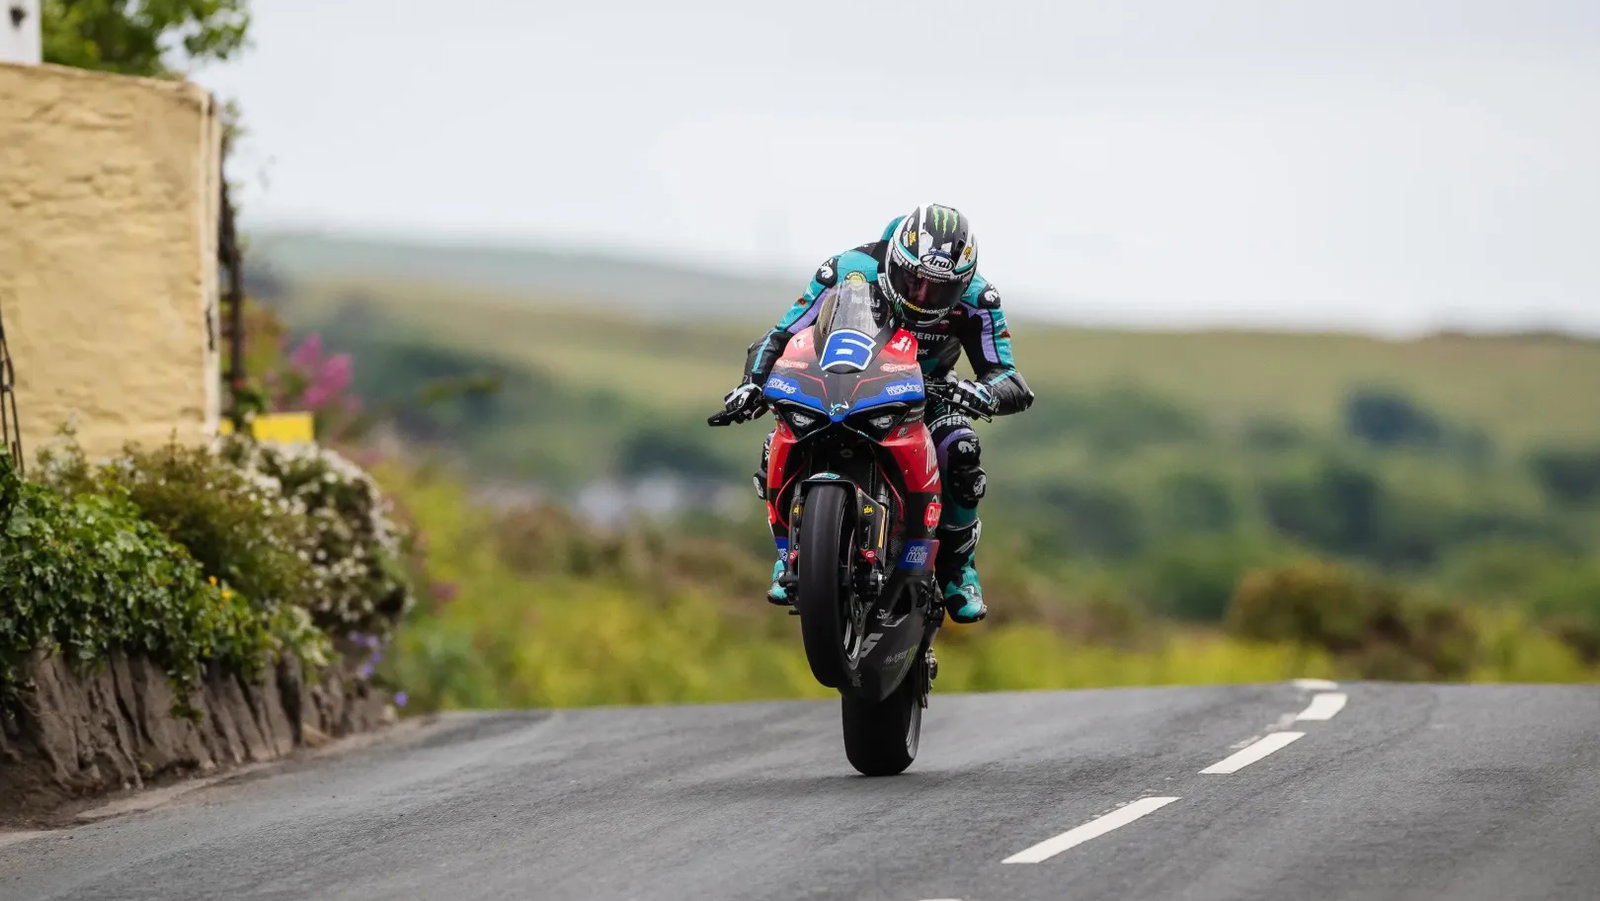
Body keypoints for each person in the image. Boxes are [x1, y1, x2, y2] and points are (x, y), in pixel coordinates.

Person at [720, 203, 1034, 624]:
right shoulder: (848, 269)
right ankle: (789, 555)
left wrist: (982, 394)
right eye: (913, 280)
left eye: (938, 289)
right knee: (781, 434)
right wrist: (752, 384)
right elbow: (780, 335)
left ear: (961, 284)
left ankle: (959, 571)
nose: (922, 296)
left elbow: (1009, 378)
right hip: (844, 382)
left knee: (961, 450)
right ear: (894, 260)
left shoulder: (979, 298)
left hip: (928, 396)